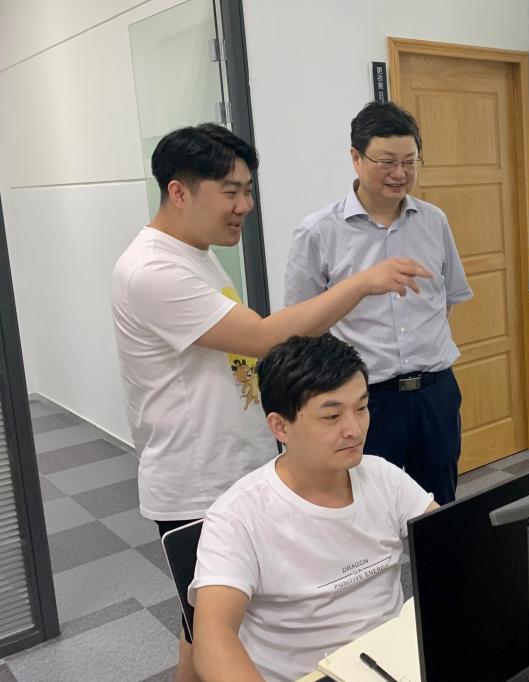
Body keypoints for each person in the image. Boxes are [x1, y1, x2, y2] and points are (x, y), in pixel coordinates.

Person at [110, 123, 429, 680]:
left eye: (248, 191)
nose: (245, 206)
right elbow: (263, 338)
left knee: (218, 620)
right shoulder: (151, 269)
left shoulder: (195, 253)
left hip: (240, 462)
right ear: (178, 191)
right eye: (231, 192)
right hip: (199, 479)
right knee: (206, 627)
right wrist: (362, 283)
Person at [189, 334, 438, 682]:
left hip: (391, 662)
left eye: (361, 408)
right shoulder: (238, 516)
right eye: (332, 416)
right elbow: (213, 636)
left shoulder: (382, 476)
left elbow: (452, 545)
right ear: (281, 426)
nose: (354, 430)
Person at [284, 102, 471, 504]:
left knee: (439, 507)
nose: (400, 174)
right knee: (364, 507)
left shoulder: (434, 221)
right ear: (356, 157)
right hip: (364, 400)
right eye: (386, 162)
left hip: (434, 393)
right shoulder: (318, 232)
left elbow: (446, 301)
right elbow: (298, 326)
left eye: (409, 161)